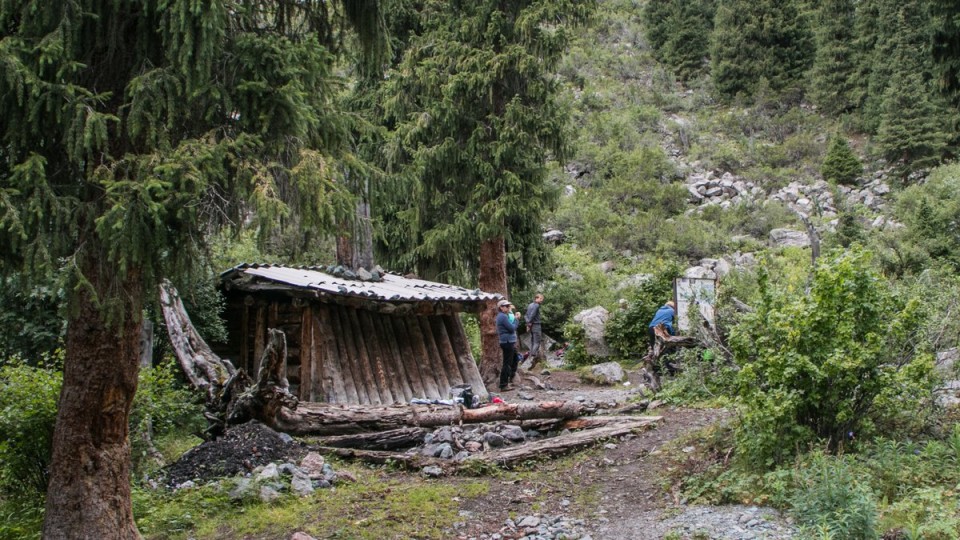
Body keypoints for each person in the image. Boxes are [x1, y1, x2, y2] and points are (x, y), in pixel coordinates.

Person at [496, 299, 520, 391]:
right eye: (506, 306)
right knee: (507, 364)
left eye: (508, 306)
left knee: (515, 359)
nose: (508, 307)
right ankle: (503, 384)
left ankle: (511, 377)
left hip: (509, 342)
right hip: (507, 342)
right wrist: (516, 320)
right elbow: (512, 328)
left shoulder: (504, 316)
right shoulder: (502, 317)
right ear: (501, 308)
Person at [525, 293, 545, 367]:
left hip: (531, 325)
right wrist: (529, 322)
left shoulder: (530, 305)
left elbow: (526, 315)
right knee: (537, 341)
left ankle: (531, 356)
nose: (542, 300)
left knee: (533, 341)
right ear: (537, 298)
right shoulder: (536, 305)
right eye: (541, 299)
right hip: (536, 325)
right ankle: (533, 356)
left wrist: (528, 323)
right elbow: (532, 315)